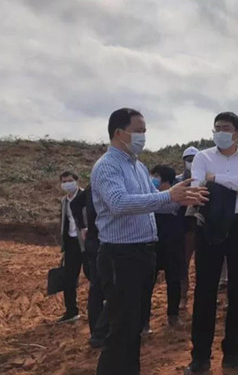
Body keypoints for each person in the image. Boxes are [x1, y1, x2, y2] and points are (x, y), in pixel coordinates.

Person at [91, 108, 208, 375]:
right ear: (119, 133)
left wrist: (180, 200)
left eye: (144, 131)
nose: (143, 136)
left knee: (133, 327)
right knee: (120, 329)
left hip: (143, 255)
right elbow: (119, 203)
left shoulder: (138, 167)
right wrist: (168, 196)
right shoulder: (107, 166)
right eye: (138, 131)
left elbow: (153, 204)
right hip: (121, 256)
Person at [186, 112, 238, 375]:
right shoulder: (202, 157)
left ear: (237, 132)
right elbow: (199, 187)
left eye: (225, 128)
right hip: (210, 224)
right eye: (216, 128)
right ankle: (200, 357)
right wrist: (233, 184)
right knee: (205, 290)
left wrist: (215, 179)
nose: (220, 132)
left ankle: (233, 354)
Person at [142, 165, 187, 331]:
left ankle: (173, 316)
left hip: (174, 245)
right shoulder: (148, 198)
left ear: (165, 179)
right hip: (152, 245)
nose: (152, 179)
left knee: (174, 281)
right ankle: (144, 321)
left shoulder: (178, 197)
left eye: (155, 175)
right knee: (147, 285)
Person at [57, 171, 87, 324]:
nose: (67, 184)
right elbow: (64, 221)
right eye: (64, 181)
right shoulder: (64, 201)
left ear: (77, 181)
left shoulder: (86, 197)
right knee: (69, 278)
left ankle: (102, 308)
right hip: (71, 243)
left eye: (69, 180)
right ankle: (71, 311)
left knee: (95, 276)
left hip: (87, 243)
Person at [84, 184, 109, 348]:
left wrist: (83, 226)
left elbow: (75, 203)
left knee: (96, 290)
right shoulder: (106, 188)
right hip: (104, 243)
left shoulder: (91, 188)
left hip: (94, 242)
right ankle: (100, 333)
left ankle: (96, 332)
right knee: (112, 290)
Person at [179, 146, 199, 310]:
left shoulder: (204, 180)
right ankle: (183, 296)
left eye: (194, 160)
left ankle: (203, 295)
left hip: (201, 227)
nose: (191, 163)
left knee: (203, 264)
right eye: (188, 160)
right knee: (183, 263)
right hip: (185, 228)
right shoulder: (177, 181)